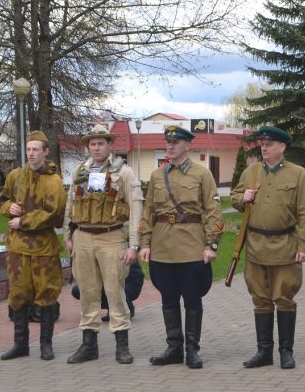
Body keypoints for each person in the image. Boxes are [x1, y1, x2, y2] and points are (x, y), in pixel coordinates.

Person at [139, 124, 224, 369]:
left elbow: (214, 210)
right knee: (168, 299)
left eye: (175, 143)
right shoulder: (158, 175)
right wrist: (145, 242)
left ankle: (192, 350)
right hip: (163, 247)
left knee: (192, 299)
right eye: (168, 142)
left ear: (187, 145)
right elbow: (149, 212)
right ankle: (174, 347)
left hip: (191, 246)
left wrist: (212, 244)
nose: (170, 146)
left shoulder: (201, 173)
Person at [230, 126, 305, 370]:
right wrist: (241, 198)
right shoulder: (252, 172)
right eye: (262, 144)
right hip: (256, 246)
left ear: (282, 147)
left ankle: (286, 351)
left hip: (285, 246)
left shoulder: (297, 174)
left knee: (284, 298)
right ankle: (263, 351)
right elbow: (235, 198)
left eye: (269, 144)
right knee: (260, 299)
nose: (264, 148)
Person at [63, 124, 143, 365]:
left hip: (112, 237)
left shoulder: (124, 172)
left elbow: (137, 208)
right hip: (83, 237)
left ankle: (122, 346)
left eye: (100, 143)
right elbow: (70, 204)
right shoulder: (80, 170)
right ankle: (89, 345)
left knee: (114, 291)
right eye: (92, 144)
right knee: (87, 291)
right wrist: (68, 236)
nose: (96, 147)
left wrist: (134, 245)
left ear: (109, 145)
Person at [0, 130, 67, 361]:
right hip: (17, 247)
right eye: (28, 149)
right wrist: (9, 209)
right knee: (18, 293)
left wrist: (23, 221)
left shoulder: (53, 181)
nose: (31, 154)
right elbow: (3, 199)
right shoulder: (16, 176)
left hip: (43, 248)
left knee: (46, 293)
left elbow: (54, 214)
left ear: (46, 152)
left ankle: (46, 344)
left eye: (36, 149)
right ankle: (21, 344)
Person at [70, 262, 143, 320]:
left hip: (129, 283)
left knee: (108, 287)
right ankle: (111, 308)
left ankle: (126, 307)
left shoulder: (115, 248)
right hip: (111, 282)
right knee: (78, 290)